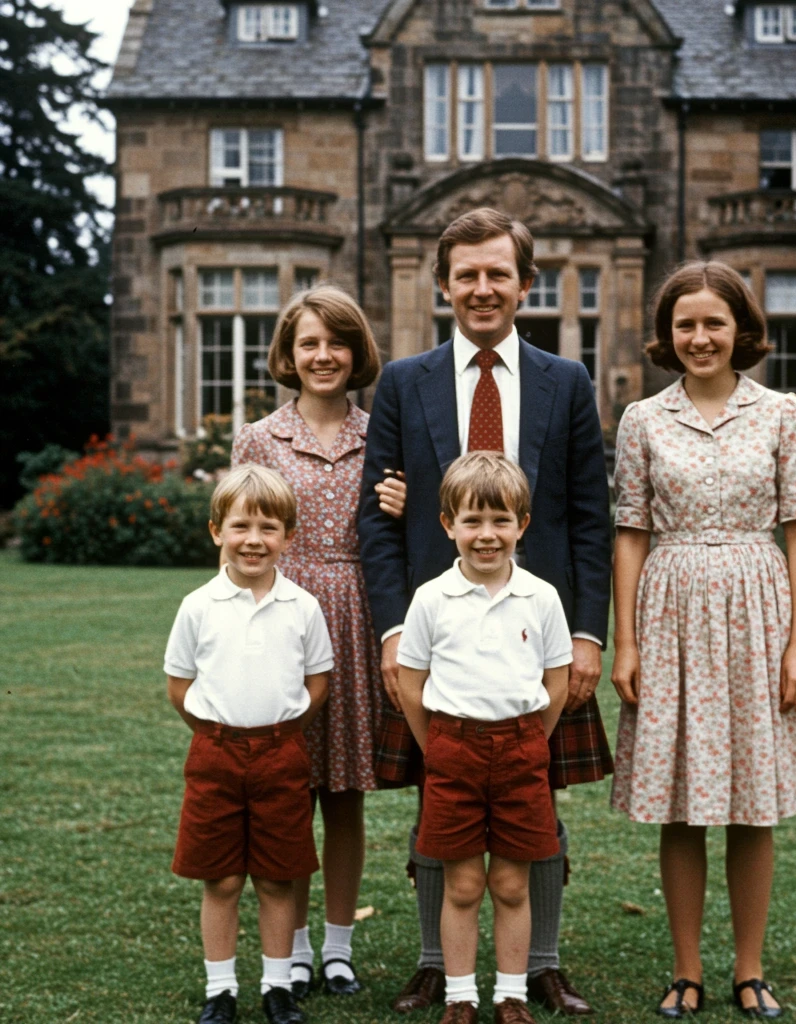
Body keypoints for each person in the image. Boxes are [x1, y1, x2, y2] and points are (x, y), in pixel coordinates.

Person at [359, 208, 612, 1016]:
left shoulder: (566, 380)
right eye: (465, 274)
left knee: (535, 800)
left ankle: (541, 965)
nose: (481, 288)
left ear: (525, 284)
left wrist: (585, 634)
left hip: (538, 630)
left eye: (497, 273)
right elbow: (378, 516)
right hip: (439, 632)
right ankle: (439, 964)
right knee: (442, 799)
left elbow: (586, 518)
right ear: (443, 284)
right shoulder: (403, 380)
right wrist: (397, 630)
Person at [610, 261, 796, 1019]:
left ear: (741, 330)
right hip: (670, 609)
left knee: (753, 802)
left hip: (758, 609)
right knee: (681, 802)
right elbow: (630, 536)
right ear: (667, 335)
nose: (700, 337)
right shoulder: (643, 420)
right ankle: (687, 971)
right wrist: (627, 642)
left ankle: (749, 969)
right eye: (686, 325)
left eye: (714, 323)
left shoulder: (781, 412)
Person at [231, 285, 405, 1000]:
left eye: (337, 342)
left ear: (356, 351)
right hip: (282, 617)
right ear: (289, 354)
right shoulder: (260, 438)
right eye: (309, 343)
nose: (323, 355)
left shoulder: (383, 434)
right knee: (284, 790)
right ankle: (292, 947)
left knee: (344, 793)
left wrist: (404, 504)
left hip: (357, 614)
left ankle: (338, 947)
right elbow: (242, 538)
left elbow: (408, 532)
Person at [396, 452, 572, 1024]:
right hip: (452, 749)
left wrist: (530, 742)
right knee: (465, 884)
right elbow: (410, 683)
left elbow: (557, 681)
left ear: (523, 524)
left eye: (500, 521)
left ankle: (511, 995)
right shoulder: (430, 598)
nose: (486, 535)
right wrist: (439, 746)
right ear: (448, 524)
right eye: (472, 521)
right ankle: (460, 997)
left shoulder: (541, 597)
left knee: (511, 883)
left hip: (522, 749)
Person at [165, 464, 333, 1024]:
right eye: (240, 527)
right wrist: (219, 734)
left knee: (278, 874)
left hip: (281, 754)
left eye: (268, 528)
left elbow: (317, 684)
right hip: (215, 754)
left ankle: (277, 986)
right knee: (223, 876)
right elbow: (180, 686)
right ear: (217, 532)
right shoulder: (198, 606)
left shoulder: (303, 607)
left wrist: (276, 734)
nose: (254, 540)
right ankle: (221, 990)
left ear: (288, 535)